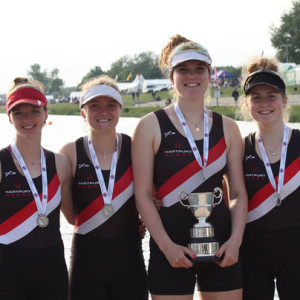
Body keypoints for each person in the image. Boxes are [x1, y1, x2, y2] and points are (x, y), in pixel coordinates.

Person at [132, 34, 248, 299]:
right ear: (172, 76)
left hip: (222, 250)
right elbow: (143, 195)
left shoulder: (228, 128)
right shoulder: (150, 126)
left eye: (199, 69)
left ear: (210, 75)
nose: (191, 76)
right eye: (183, 69)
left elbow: (238, 193)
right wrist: (166, 246)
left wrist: (235, 242)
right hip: (169, 250)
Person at [60, 75, 148, 300]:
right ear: (82, 111)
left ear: (120, 109)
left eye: (111, 105)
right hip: (86, 264)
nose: (103, 112)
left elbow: (152, 194)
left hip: (130, 263)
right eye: (94, 106)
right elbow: (71, 217)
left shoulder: (135, 147)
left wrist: (144, 219)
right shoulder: (69, 153)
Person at [0, 77, 74, 299]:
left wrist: (133, 218)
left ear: (45, 114)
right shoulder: (1, 163)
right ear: (10, 118)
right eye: (18, 113)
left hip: (52, 268)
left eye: (34, 110)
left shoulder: (60, 164)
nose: (27, 119)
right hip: (8, 269)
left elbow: (74, 218)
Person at [241, 57, 300, 300]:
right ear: (247, 104)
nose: (264, 103)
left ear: (285, 100)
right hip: (251, 258)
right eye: (256, 97)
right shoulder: (239, 148)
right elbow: (226, 197)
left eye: (271, 96)